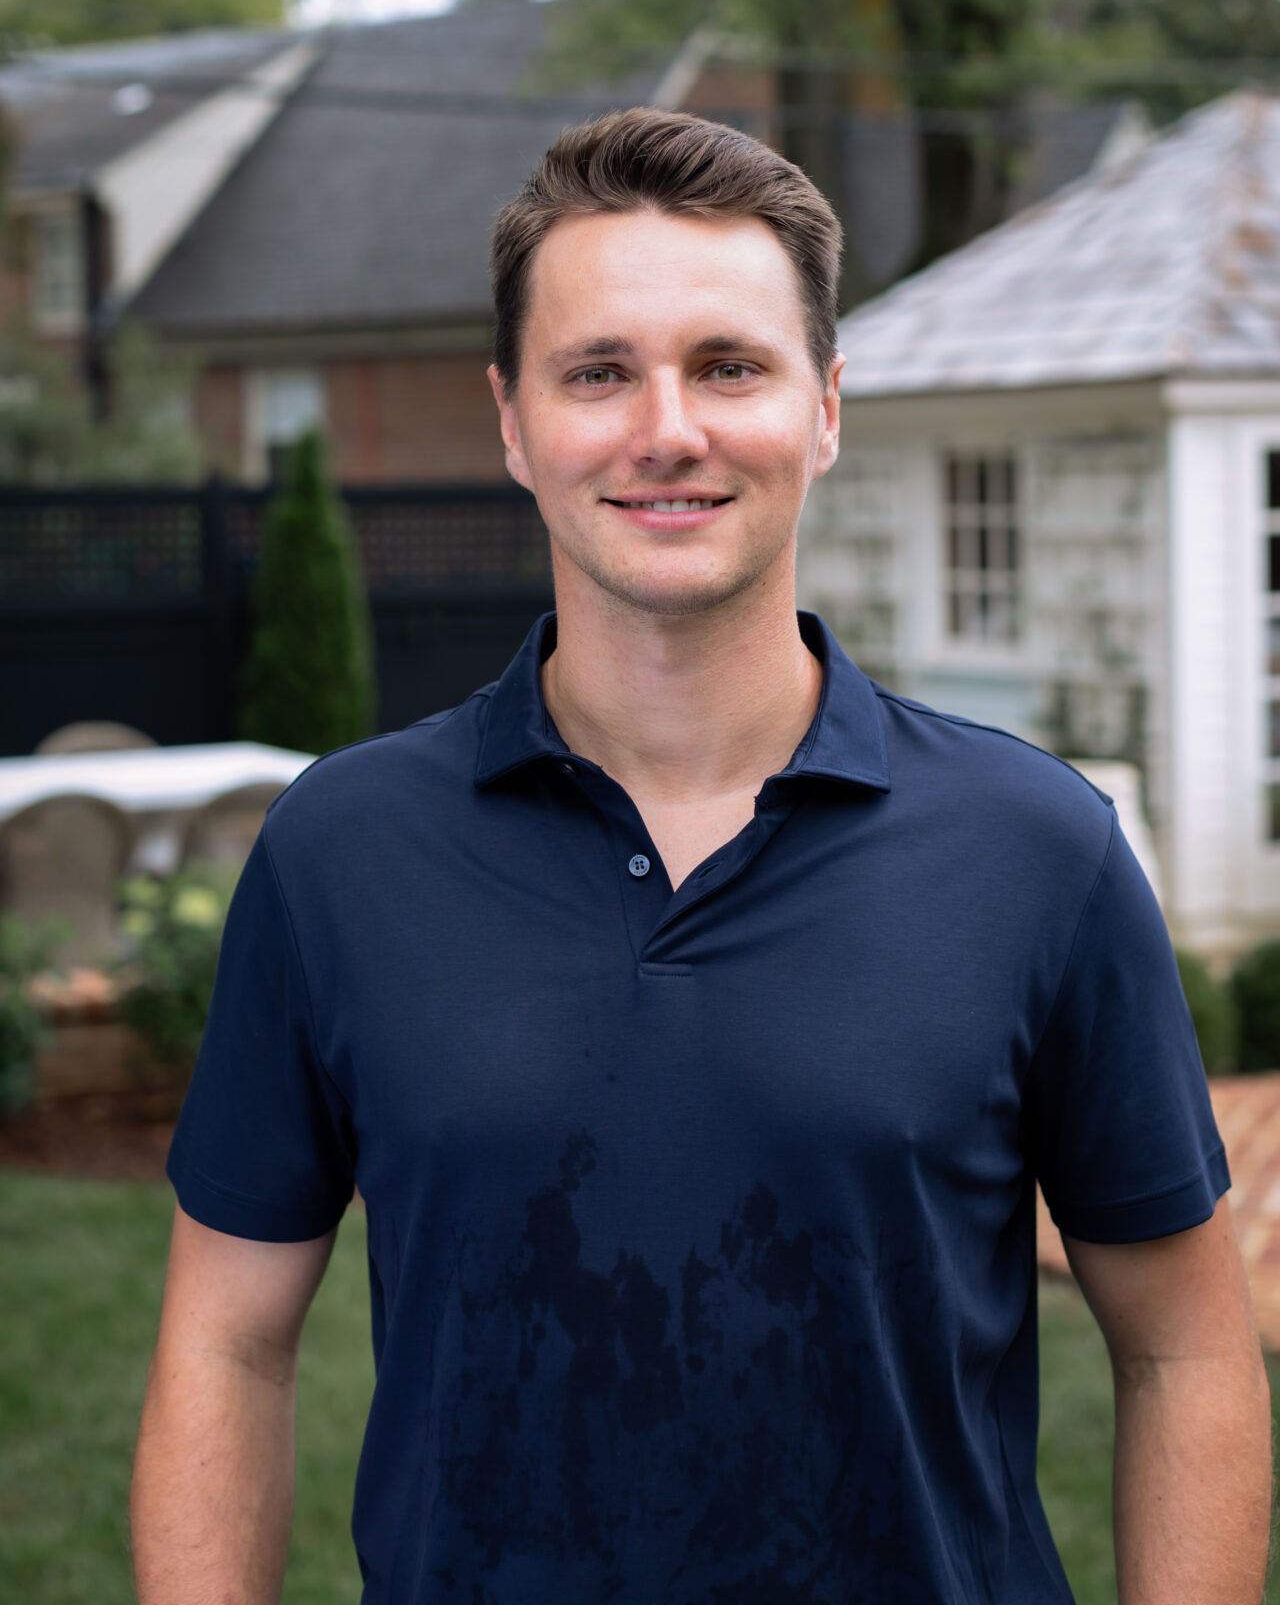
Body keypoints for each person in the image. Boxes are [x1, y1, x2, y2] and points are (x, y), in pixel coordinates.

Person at [132, 109, 1271, 1605]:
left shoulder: (1037, 850)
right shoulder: (341, 852)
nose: (666, 427)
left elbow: (1187, 1345)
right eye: (598, 371)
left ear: (826, 407)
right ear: (513, 420)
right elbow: (226, 1345)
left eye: (729, 366)